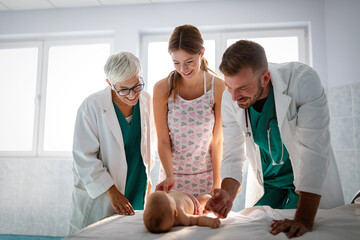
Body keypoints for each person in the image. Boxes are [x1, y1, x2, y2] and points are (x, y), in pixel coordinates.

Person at [205, 40, 344, 238]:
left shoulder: (302, 81)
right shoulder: (230, 98)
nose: (234, 97)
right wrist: (227, 193)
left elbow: (314, 151)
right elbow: (233, 154)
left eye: (243, 88)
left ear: (265, 78)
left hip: (305, 187)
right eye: (229, 87)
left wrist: (303, 219)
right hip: (271, 186)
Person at [69, 52, 155, 234]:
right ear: (110, 84)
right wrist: (111, 191)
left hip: (137, 184)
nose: (133, 95)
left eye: (137, 85)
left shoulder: (147, 100)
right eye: (124, 89)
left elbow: (148, 145)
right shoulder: (91, 106)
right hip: (104, 194)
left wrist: (148, 179)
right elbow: (84, 157)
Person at [153, 24, 226, 196]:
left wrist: (217, 183)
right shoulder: (162, 88)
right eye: (176, 63)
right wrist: (169, 176)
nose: (183, 69)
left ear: (201, 53)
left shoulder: (218, 87)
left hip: (206, 178)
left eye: (189, 62)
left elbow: (217, 141)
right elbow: (163, 141)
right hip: (172, 177)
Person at [143, 191, 220, 233]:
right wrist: (210, 221)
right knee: (205, 199)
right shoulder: (182, 217)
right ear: (175, 213)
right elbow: (197, 220)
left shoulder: (161, 209)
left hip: (181, 195)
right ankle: (211, 199)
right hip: (194, 202)